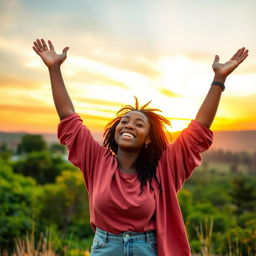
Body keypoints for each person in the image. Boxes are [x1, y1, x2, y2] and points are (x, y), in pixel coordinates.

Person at [32, 38, 248, 256]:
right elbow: (69, 117)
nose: (128, 126)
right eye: (124, 121)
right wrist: (54, 69)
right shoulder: (96, 161)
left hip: (148, 249)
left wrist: (219, 79)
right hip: (105, 248)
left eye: (138, 124)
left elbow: (198, 129)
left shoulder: (164, 168)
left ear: (148, 139)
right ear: (115, 130)